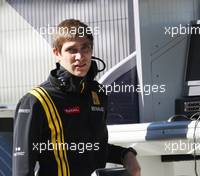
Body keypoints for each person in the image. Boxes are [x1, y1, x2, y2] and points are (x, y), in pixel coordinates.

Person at [13, 19, 141, 176]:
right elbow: (22, 169)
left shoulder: (98, 93)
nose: (80, 56)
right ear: (57, 53)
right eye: (71, 50)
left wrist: (125, 155)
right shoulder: (36, 100)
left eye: (85, 48)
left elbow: (94, 148)